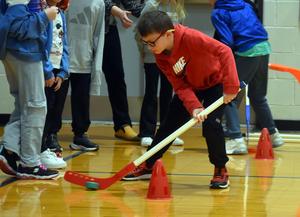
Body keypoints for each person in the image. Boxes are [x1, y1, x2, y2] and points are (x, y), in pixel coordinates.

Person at [123, 10, 240, 189]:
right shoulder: (160, 54)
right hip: (190, 86)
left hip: (215, 83)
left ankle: (220, 168)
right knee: (169, 126)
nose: (149, 47)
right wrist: (194, 106)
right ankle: (149, 164)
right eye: (145, 43)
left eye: (152, 42)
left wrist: (231, 86)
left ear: (168, 34)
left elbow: (224, 51)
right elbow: (178, 84)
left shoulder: (191, 37)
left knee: (212, 126)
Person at [209, 0, 284, 155]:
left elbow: (226, 42)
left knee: (229, 95)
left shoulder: (218, 13)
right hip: (263, 47)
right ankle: (273, 135)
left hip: (246, 51)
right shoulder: (245, 4)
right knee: (258, 96)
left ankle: (236, 140)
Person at [0, 0, 59, 179]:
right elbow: (19, 27)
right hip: (24, 52)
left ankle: (9, 151)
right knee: (35, 107)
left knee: (24, 106)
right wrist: (45, 16)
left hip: (21, 52)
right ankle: (30, 163)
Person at [136, 0, 185, 146]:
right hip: (152, 57)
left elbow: (178, 33)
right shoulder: (151, 4)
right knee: (151, 92)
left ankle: (168, 132)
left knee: (167, 93)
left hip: (170, 58)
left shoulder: (177, 7)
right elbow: (141, 28)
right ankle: (146, 132)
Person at [103, 0, 144, 141]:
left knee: (116, 76)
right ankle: (56, 130)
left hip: (108, 29)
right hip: (80, 27)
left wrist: (156, 12)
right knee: (77, 77)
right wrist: (117, 11)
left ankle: (122, 125)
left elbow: (133, 6)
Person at [38, 0, 68, 168]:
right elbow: (42, 43)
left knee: (53, 111)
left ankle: (47, 144)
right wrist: (47, 71)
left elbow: (65, 44)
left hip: (58, 71)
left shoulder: (61, 13)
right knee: (42, 111)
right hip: (45, 70)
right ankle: (39, 149)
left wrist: (63, 72)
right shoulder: (42, 12)